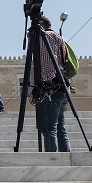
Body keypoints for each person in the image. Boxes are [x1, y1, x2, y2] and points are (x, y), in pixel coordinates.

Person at [28, 15, 70, 152]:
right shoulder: (59, 38)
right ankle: (65, 156)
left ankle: (52, 160)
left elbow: (38, 68)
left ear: (40, 25)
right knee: (60, 128)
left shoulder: (41, 38)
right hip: (63, 88)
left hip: (50, 90)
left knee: (49, 128)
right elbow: (65, 60)